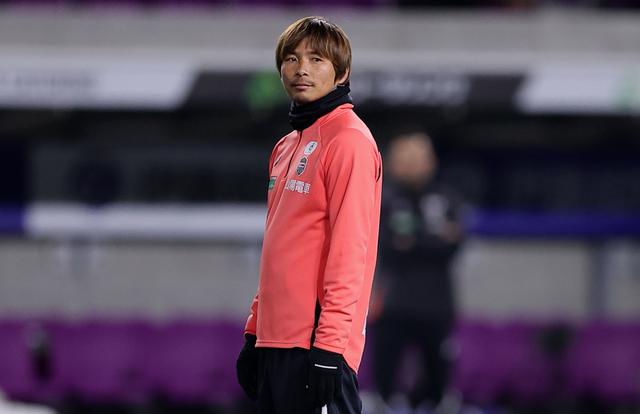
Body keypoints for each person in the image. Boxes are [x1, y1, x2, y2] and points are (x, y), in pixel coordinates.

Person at [236, 16, 383, 414]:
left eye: (317, 59)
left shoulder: (349, 141)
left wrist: (330, 346)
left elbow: (350, 252)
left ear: (342, 72)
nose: (301, 69)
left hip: (316, 347)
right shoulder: (286, 146)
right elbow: (279, 249)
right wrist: (254, 331)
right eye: (292, 58)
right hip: (275, 344)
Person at [371, 132, 464, 413]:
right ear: (392, 162)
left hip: (437, 305)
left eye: (418, 158)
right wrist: (433, 238)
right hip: (393, 304)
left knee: (437, 383)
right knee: (384, 383)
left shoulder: (447, 198)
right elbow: (388, 244)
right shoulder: (381, 199)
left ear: (431, 161)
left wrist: (413, 240)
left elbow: (453, 243)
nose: (412, 165)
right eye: (405, 158)